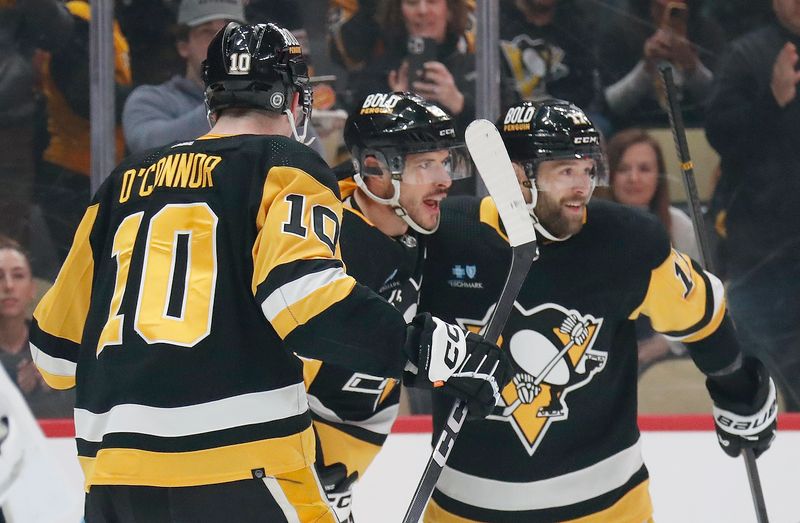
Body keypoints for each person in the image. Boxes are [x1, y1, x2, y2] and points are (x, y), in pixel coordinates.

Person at [28, 22, 509, 522]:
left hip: (116, 475)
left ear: (211, 98)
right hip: (244, 464)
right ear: (296, 103)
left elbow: (53, 357)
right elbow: (303, 300)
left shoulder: (121, 182)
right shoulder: (285, 164)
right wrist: (429, 349)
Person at [419, 99, 777, 522]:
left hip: (607, 508)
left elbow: (702, 312)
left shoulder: (624, 242)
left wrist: (736, 388)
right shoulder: (446, 233)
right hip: (467, 509)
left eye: (588, 170)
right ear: (515, 174)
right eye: (565, 171)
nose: (583, 187)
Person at [305, 91, 469, 520]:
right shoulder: (327, 250)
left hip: (347, 449)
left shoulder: (410, 218)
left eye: (444, 161)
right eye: (424, 165)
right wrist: (303, 459)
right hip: (303, 453)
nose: (444, 179)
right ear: (376, 172)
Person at [705, 0, 800, 412]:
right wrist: (773, 98)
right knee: (758, 375)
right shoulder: (747, 54)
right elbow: (721, 135)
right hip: (764, 250)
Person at [37, 0, 132, 263]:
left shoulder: (109, 20)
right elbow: (85, 95)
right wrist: (140, 101)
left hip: (98, 168)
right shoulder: (81, 21)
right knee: (82, 271)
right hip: (72, 174)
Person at [605, 128, 698, 372]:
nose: (634, 178)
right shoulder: (589, 228)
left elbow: (699, 300)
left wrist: (666, 344)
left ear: (659, 176)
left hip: (665, 360)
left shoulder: (679, 226)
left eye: (644, 169)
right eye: (624, 169)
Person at [121, 0, 246, 154]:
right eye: (206, 32)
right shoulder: (150, 100)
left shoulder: (265, 99)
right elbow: (150, 148)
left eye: (232, 33)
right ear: (183, 46)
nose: (222, 42)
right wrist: (228, 98)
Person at [597, 0, 725, 129]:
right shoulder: (620, 32)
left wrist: (691, 65)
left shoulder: (709, 32)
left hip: (695, 128)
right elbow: (613, 103)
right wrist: (647, 66)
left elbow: (719, 98)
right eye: (659, 8)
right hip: (635, 128)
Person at [0, 236, 74, 418]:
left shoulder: (54, 347)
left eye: (18, 276)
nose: (9, 286)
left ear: (32, 288)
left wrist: (54, 386)